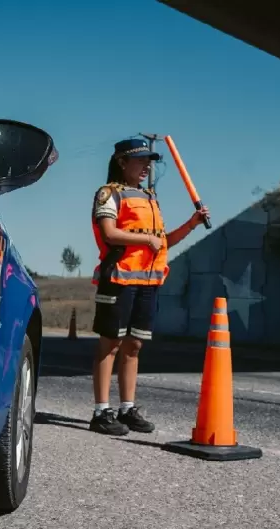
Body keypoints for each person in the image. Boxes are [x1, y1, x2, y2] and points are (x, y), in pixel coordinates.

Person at [88, 138, 210, 435]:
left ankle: (127, 408)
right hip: (118, 277)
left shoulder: (150, 197)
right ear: (121, 162)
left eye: (148, 161)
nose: (146, 166)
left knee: (134, 345)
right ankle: (101, 412)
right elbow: (109, 233)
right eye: (140, 160)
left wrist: (192, 224)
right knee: (110, 345)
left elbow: (163, 241)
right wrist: (145, 240)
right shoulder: (108, 193)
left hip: (147, 281)